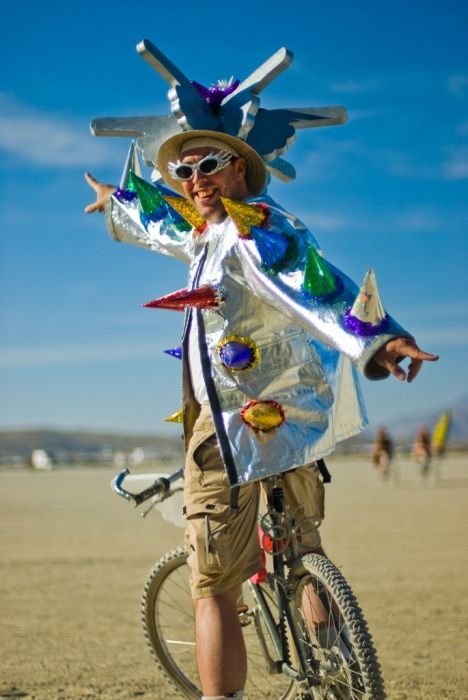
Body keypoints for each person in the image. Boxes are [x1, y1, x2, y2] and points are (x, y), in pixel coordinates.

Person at [85, 128, 438, 699]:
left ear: (240, 171)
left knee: (216, 584)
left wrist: (381, 339)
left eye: (209, 166)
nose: (196, 180)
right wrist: (116, 200)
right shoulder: (207, 233)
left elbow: (315, 282)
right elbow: (160, 223)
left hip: (229, 429)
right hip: (292, 427)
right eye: (184, 172)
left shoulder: (256, 228)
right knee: (304, 551)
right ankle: (342, 678)